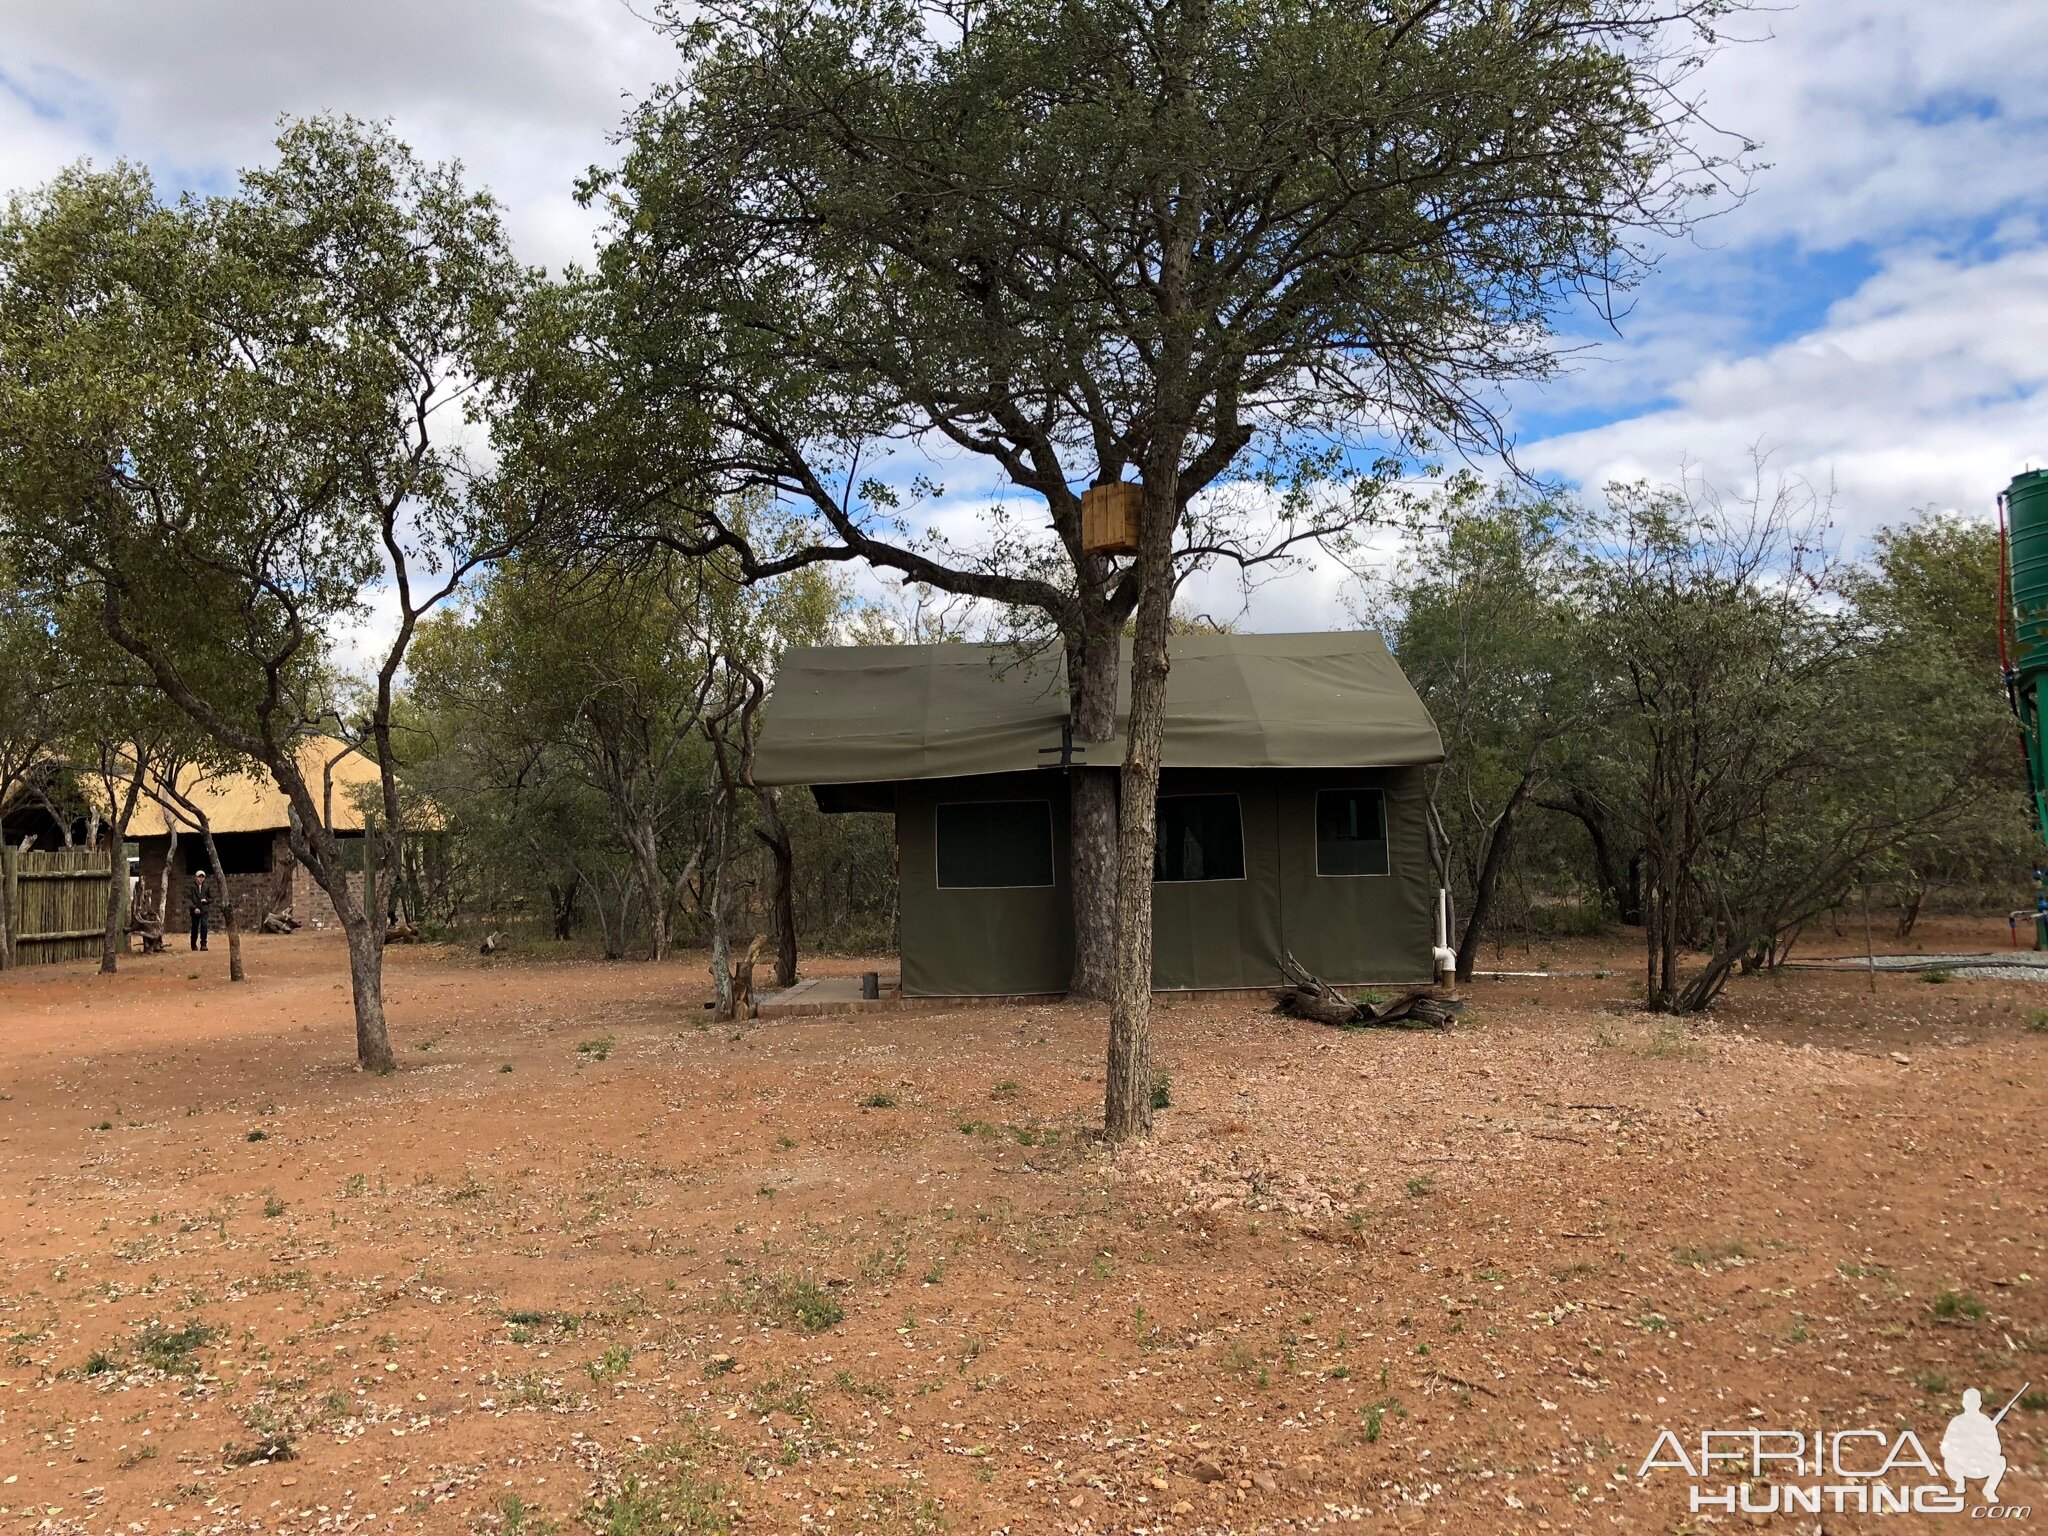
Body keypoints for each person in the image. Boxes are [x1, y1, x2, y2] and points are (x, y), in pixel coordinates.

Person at [1941, 1388, 2007, 1503]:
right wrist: (1961, 1450)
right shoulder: (1957, 1422)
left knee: (2001, 1461)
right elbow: (1946, 1447)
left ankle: (1989, 1490)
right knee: (1949, 1460)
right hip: (1961, 1466)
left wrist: (1983, 1448)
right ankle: (1959, 1481)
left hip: (1981, 1466)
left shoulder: (1986, 1423)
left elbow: (1996, 1449)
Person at [188, 868, 212, 952]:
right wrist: (194, 908)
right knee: (195, 927)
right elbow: (189, 899)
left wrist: (206, 900)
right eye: (199, 877)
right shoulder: (191, 887)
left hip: (204, 910)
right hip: (195, 911)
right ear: (196, 877)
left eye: (202, 877)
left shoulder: (207, 887)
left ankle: (203, 944)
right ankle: (193, 943)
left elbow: (211, 898)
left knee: (204, 926)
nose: (201, 879)